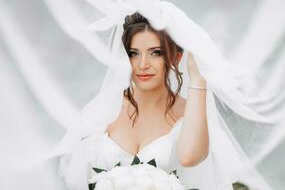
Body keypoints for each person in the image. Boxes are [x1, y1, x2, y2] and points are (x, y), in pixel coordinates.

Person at [59, 12, 210, 190]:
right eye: (133, 54)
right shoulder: (101, 110)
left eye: (156, 53)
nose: (143, 64)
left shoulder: (192, 112)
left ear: (176, 58)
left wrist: (199, 78)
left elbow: (189, 157)